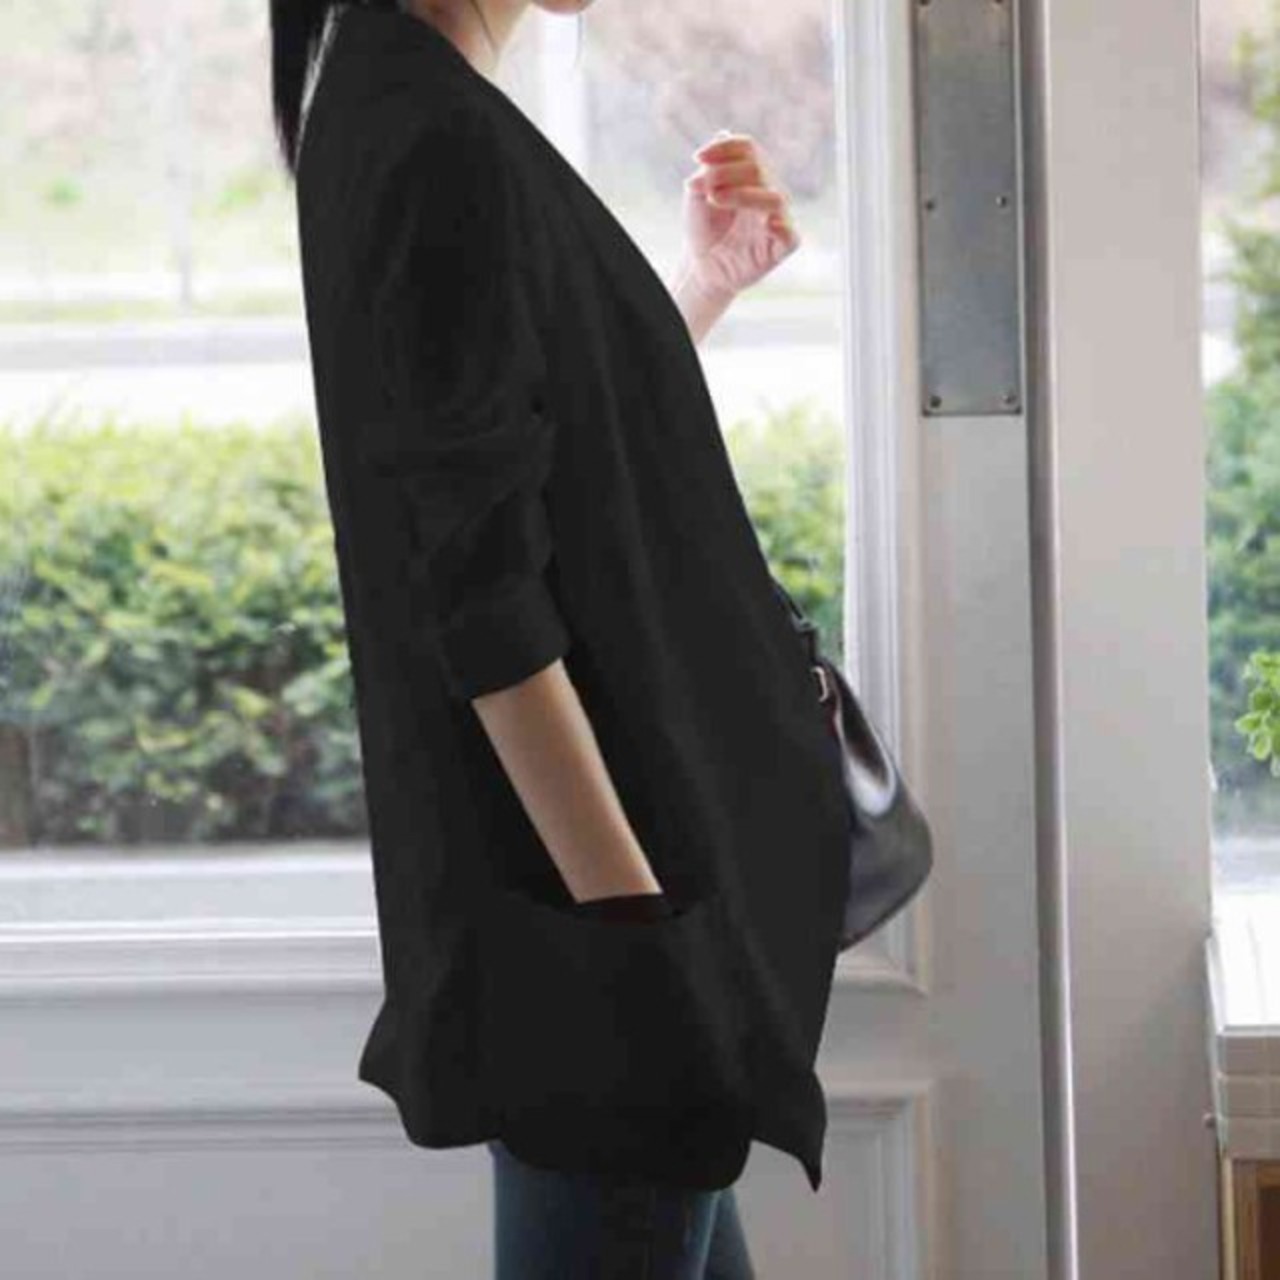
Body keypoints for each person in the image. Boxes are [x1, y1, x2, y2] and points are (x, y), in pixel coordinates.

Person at [273, 0, 852, 1274]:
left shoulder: (403, 100)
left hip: (609, 927)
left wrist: (696, 288)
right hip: (602, 933)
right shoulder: (432, 134)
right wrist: (635, 928)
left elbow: (539, 457)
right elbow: (482, 596)